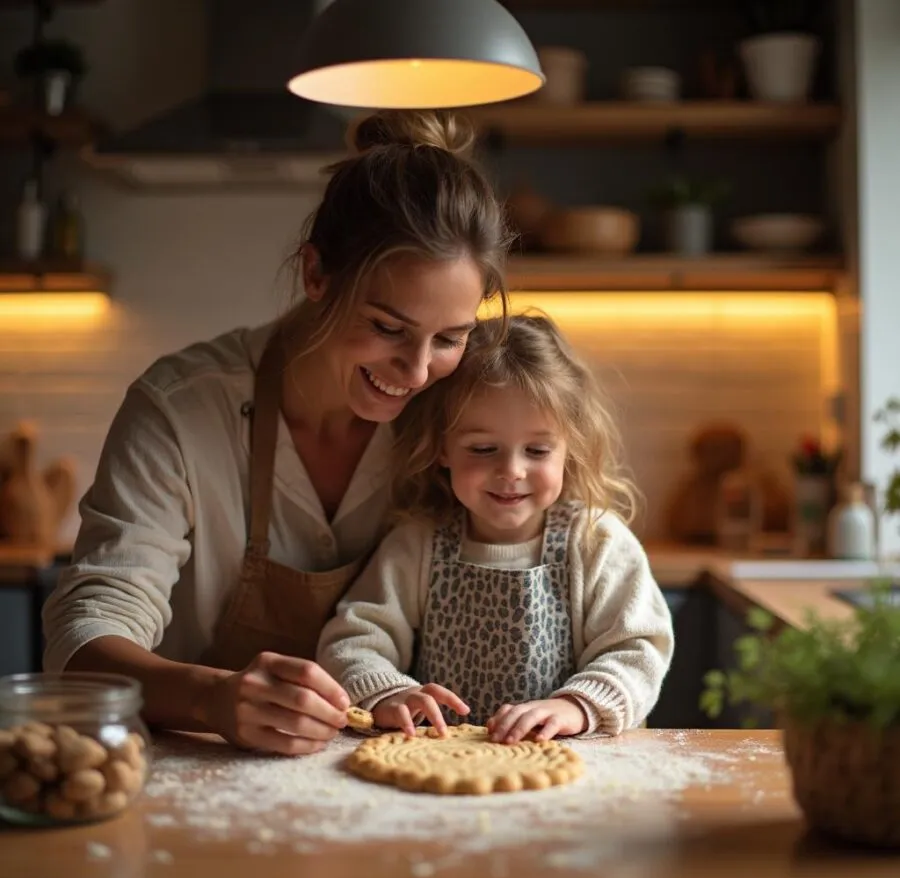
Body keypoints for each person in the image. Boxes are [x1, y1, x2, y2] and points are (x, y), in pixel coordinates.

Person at [41, 110, 511, 757]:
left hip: (408, 776)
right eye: (387, 327)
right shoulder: (181, 411)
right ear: (316, 274)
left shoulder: (465, 417)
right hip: (197, 771)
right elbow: (82, 639)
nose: (418, 369)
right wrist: (210, 698)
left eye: (450, 339)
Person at [317, 314, 675, 743]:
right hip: (441, 768)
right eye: (483, 449)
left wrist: (576, 707)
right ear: (442, 449)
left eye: (537, 450)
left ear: (570, 447)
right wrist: (389, 694)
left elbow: (637, 651)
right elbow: (355, 639)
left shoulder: (596, 542)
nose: (511, 471)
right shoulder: (418, 545)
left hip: (578, 769)